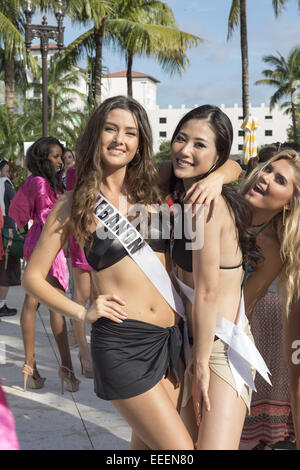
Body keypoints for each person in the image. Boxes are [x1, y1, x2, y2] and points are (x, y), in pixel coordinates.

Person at [20, 96, 197, 450]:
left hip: (169, 343)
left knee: (146, 450)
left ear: (140, 142)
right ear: (95, 135)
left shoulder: (154, 186)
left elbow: (228, 167)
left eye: (131, 133)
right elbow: (32, 278)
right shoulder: (73, 203)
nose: (120, 139)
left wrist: (220, 176)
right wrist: (82, 312)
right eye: (111, 129)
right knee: (180, 452)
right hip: (122, 345)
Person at [169, 104, 268, 450]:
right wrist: (219, 173)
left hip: (219, 352)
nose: (185, 149)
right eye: (181, 138)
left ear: (216, 154)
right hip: (188, 347)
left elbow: (208, 293)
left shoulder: (207, 206)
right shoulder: (187, 193)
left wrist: (199, 367)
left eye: (199, 144)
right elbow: (235, 164)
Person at [238, 148, 300, 449]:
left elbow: (242, 308)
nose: (264, 177)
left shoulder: (272, 248)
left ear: (290, 204)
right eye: (267, 169)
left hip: (220, 336)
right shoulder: (221, 206)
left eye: (279, 179)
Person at [9, 137, 80, 394]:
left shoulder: (34, 181)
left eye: (61, 156)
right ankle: (68, 371)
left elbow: (18, 213)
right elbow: (49, 214)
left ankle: (31, 367)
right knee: (54, 303)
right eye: (56, 157)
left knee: (33, 301)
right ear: (43, 158)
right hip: (46, 242)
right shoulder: (41, 182)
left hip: (36, 240)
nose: (60, 162)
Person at [66, 164, 94, 378]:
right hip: (83, 236)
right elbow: (71, 203)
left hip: (107, 238)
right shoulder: (75, 171)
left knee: (100, 296)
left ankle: (98, 349)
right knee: (81, 296)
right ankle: (84, 351)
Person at [0, 159, 20, 317]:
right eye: (6, 171)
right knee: (5, 270)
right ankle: (1, 306)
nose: (8, 174)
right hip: (6, 230)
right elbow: (17, 204)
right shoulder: (5, 184)